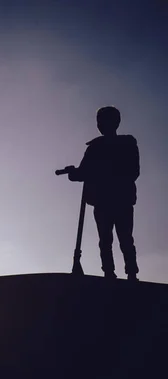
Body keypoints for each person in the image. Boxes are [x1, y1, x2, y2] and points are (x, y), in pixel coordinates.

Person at [65, 106, 140, 281]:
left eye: (103, 120)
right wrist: (73, 173)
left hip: (120, 199)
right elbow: (84, 172)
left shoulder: (127, 144)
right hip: (103, 201)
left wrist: (100, 174)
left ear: (115, 122)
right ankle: (109, 273)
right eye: (99, 121)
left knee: (125, 239)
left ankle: (131, 273)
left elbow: (133, 171)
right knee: (106, 240)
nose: (100, 125)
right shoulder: (95, 147)